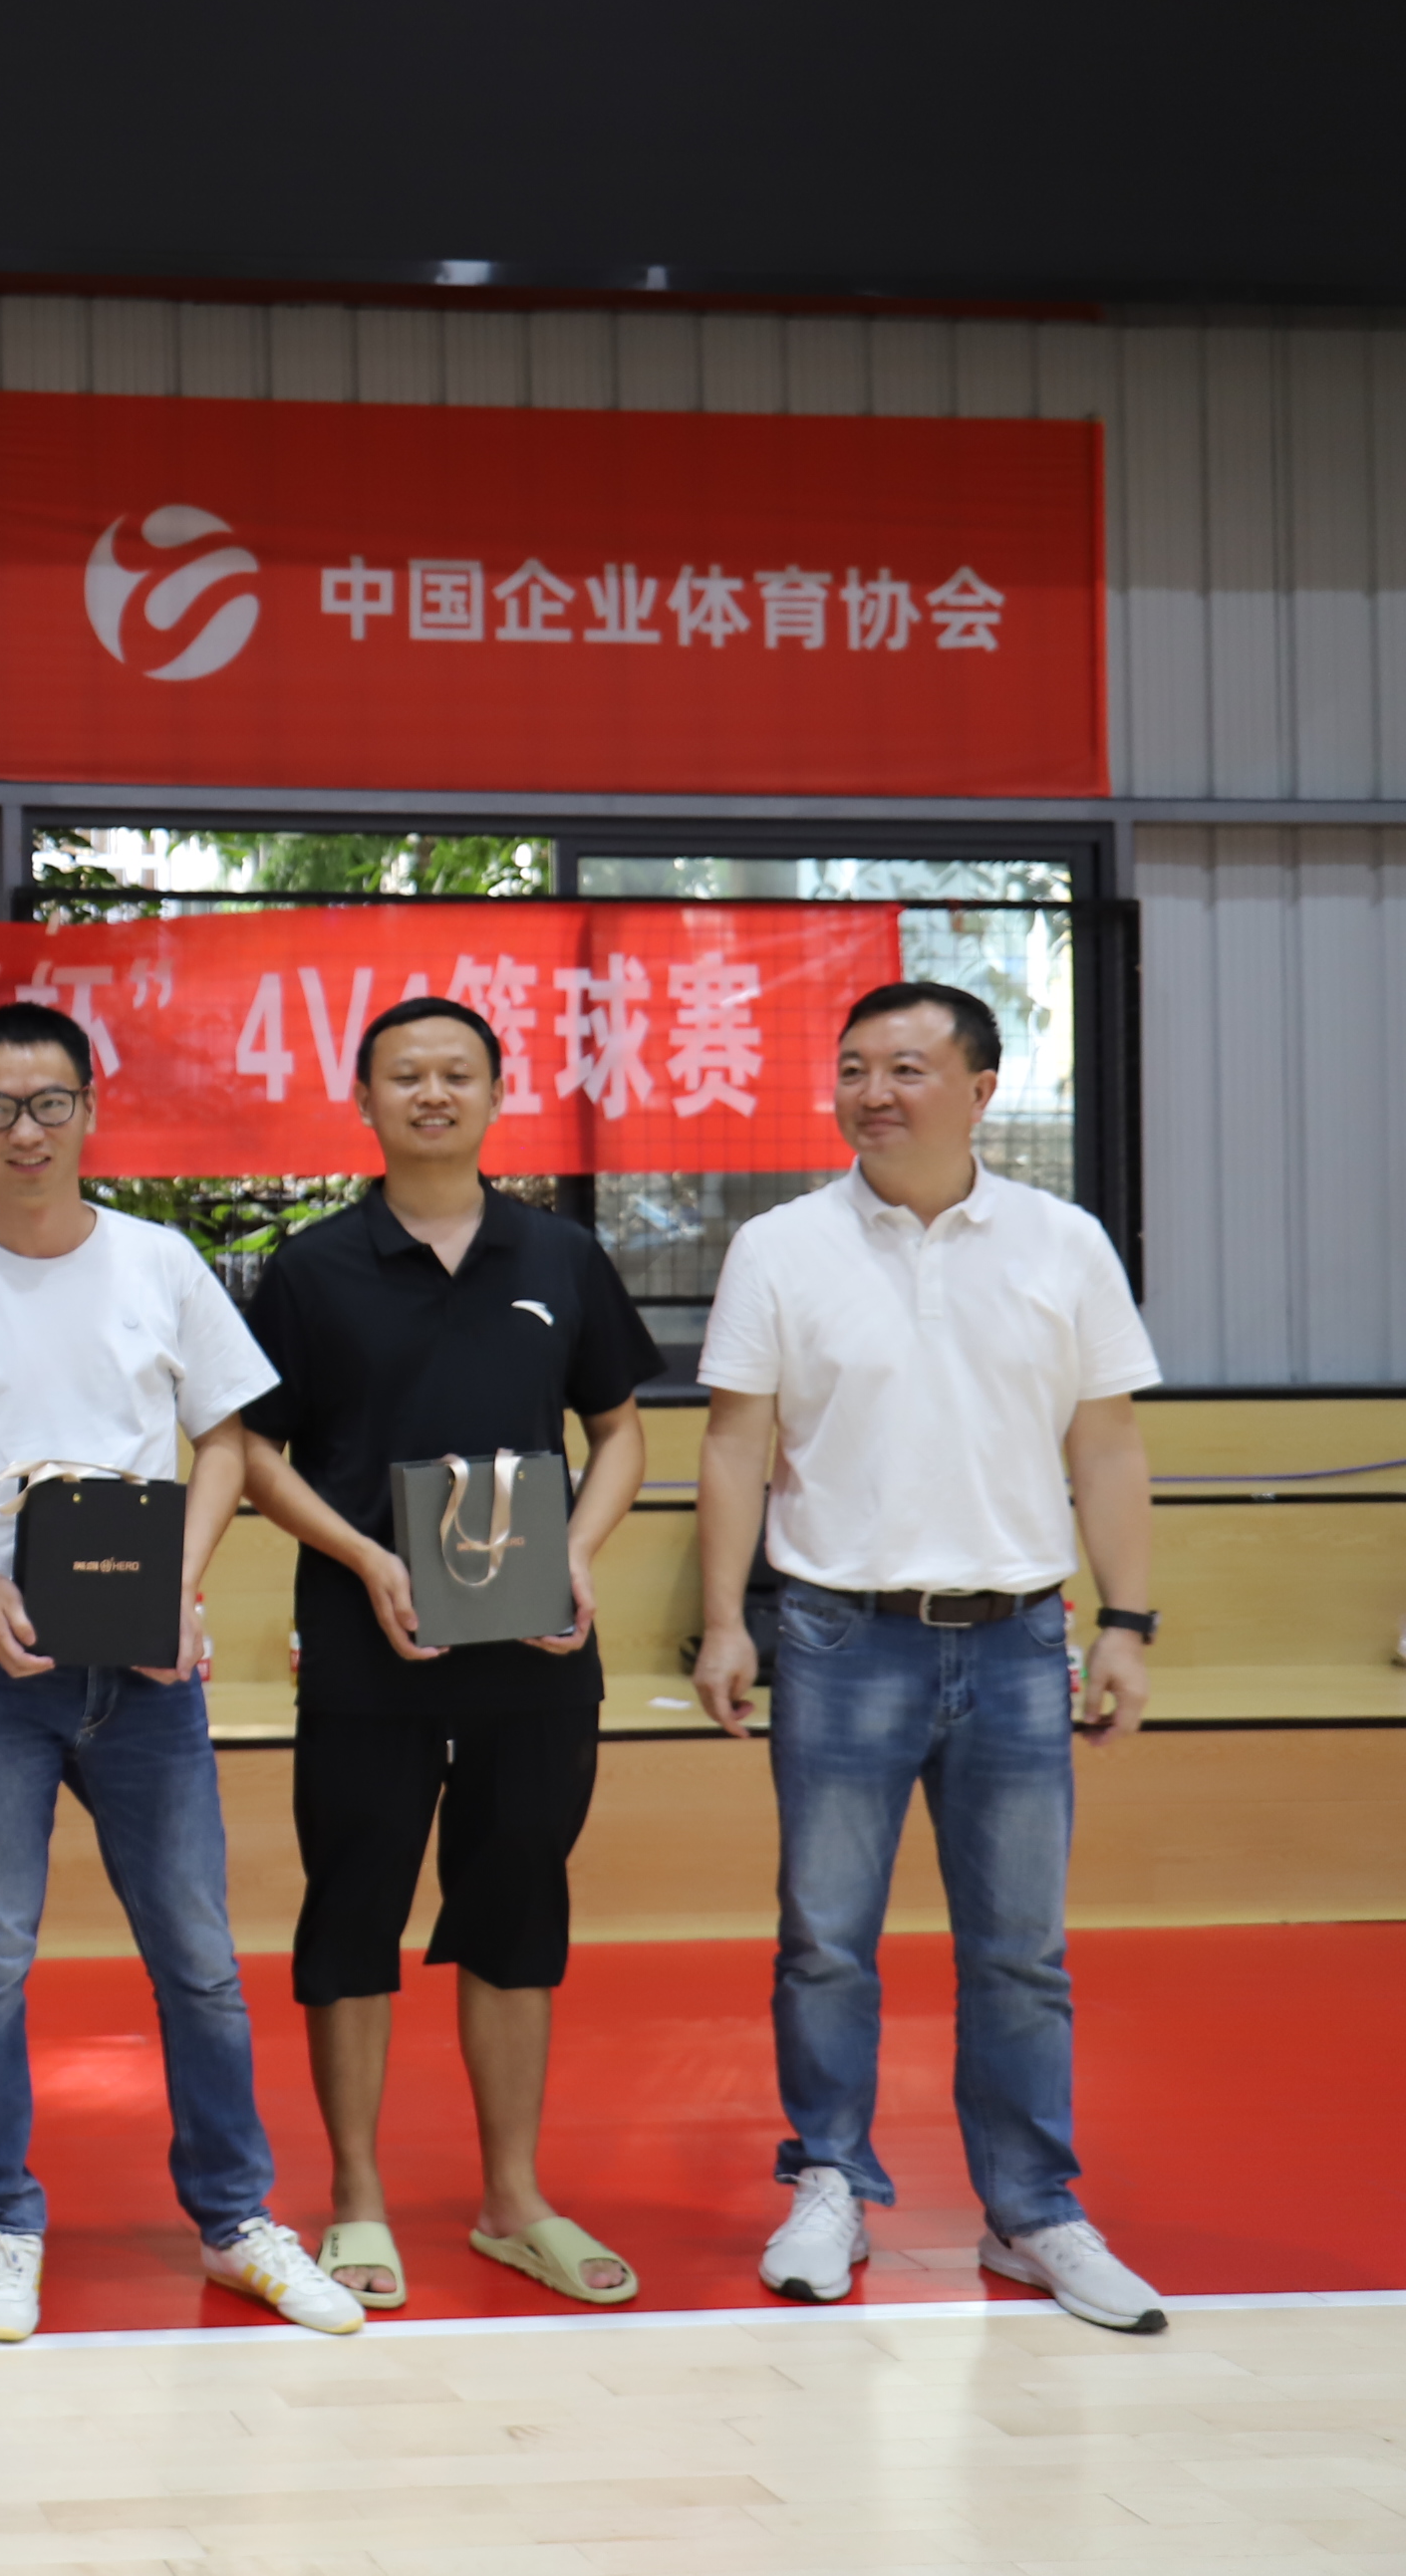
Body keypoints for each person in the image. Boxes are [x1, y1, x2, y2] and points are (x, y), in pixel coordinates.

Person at [0, 1000, 364, 2346]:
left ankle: (236, 2218)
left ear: (89, 1110)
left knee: (200, 1960)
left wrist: (181, 1585)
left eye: (50, 1103)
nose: (27, 1130)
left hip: (149, 1675)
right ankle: (5, 2221)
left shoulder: (159, 1262)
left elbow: (227, 1440)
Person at [694, 980, 1170, 2333]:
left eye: (906, 1068)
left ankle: (1033, 2211)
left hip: (1018, 1636)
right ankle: (830, 2180)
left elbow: (1107, 1446)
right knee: (825, 1940)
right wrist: (724, 1619)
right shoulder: (781, 1246)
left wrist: (1128, 1622)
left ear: (981, 1088)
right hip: (837, 1634)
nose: (874, 1093)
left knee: (1021, 1950)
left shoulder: (1063, 1242)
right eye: (853, 1069)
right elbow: (733, 1441)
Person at [238, 995, 660, 2313]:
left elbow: (620, 1432)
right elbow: (254, 1454)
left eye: (458, 1073)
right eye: (406, 1074)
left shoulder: (562, 1255)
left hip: (536, 1643)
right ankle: (357, 2198)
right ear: (362, 1101)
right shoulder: (310, 1269)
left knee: (519, 1903)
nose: (433, 1092)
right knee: (353, 1903)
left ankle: (513, 2198)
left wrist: (579, 1550)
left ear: (495, 1093)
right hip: (368, 1642)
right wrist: (366, 1560)